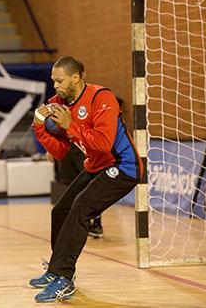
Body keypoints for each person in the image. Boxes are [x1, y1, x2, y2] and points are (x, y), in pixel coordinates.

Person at [30, 56, 142, 302]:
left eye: (59, 81)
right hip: (96, 166)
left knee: (81, 207)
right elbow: (60, 151)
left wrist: (70, 126)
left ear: (76, 77)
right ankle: (55, 270)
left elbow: (102, 144)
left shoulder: (101, 97)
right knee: (60, 211)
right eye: (53, 81)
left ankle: (65, 279)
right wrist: (39, 125)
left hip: (122, 167)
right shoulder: (57, 103)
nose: (55, 86)